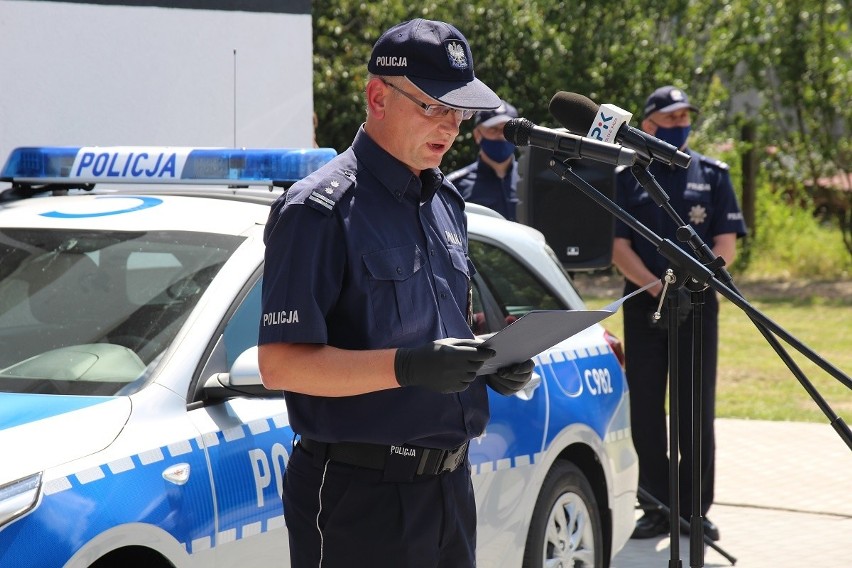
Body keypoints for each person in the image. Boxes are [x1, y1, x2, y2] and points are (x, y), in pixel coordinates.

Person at [257, 19, 535, 568]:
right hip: (359, 495)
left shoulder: (446, 203)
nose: (451, 126)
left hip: (450, 487)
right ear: (377, 96)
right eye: (433, 106)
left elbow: (444, 331)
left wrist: (487, 361)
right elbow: (281, 364)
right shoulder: (319, 211)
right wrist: (408, 368)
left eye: (459, 112)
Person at [612, 85, 747, 542]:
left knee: (694, 410)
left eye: (684, 117)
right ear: (647, 125)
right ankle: (656, 504)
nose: (678, 125)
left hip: (698, 305)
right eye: (668, 119)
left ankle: (694, 510)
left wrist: (694, 282)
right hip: (645, 305)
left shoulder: (712, 174)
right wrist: (657, 288)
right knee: (647, 408)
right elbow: (618, 246)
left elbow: (725, 243)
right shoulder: (628, 174)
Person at [447, 100, 520, 220]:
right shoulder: (455, 187)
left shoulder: (532, 180)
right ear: (477, 134)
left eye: (507, 130)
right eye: (493, 129)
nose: (501, 135)